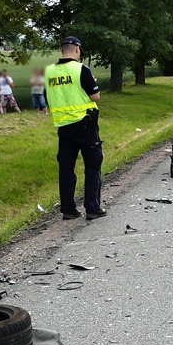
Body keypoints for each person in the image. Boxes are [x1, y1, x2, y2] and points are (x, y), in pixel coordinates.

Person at [45, 36, 106, 221]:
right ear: (77, 50)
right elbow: (95, 96)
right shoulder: (81, 69)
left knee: (66, 169)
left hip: (63, 127)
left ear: (62, 50)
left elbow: (49, 96)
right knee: (93, 165)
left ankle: (68, 210)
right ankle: (92, 208)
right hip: (85, 124)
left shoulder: (49, 72)